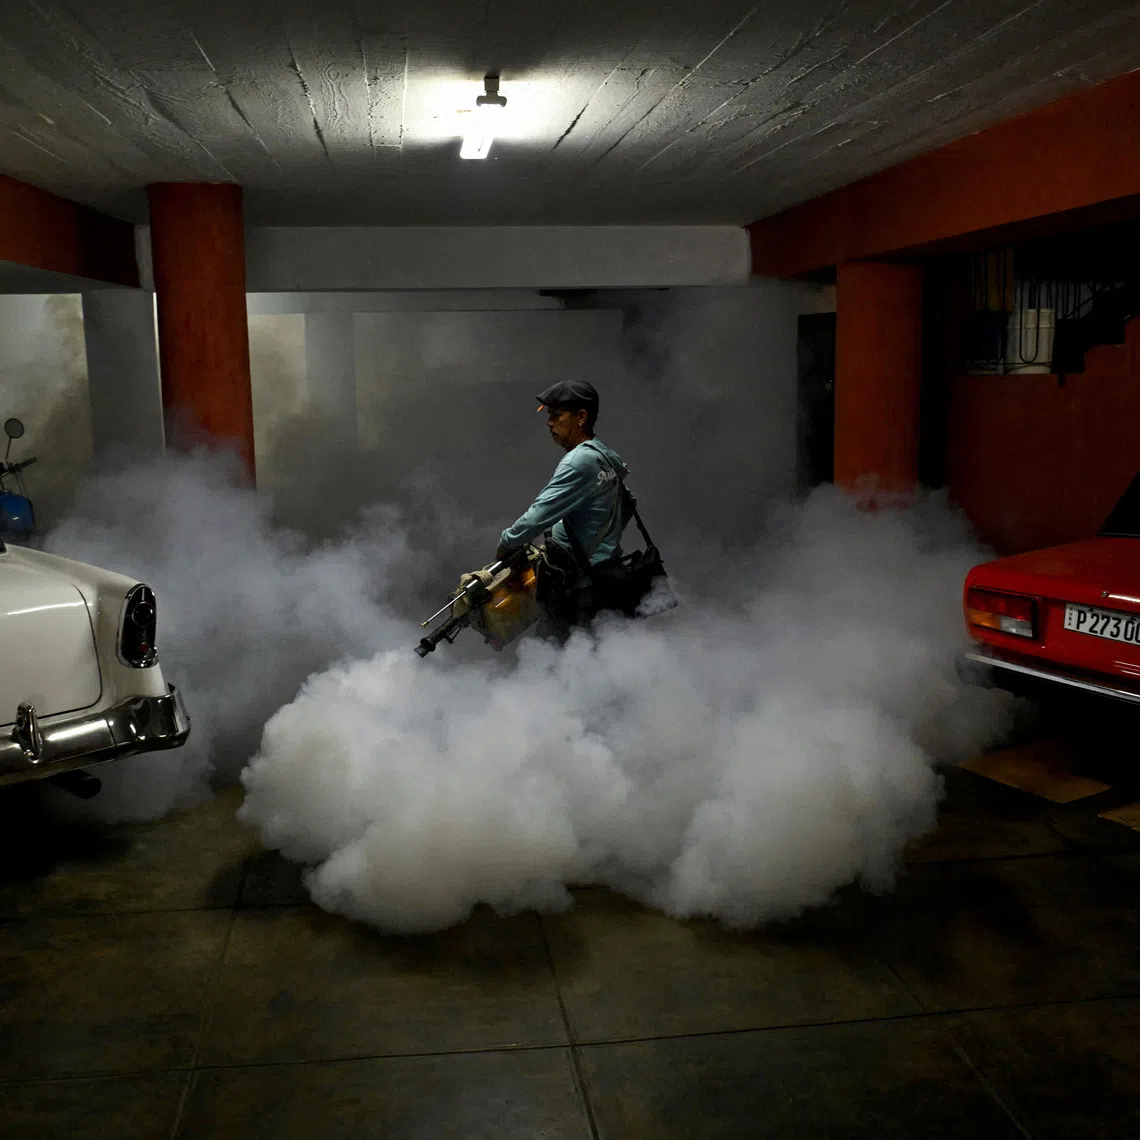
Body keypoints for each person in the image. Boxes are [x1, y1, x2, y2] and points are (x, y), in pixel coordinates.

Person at [495, 380, 635, 636]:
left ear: (581, 417)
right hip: (604, 576)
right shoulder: (603, 455)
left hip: (579, 591)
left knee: (549, 664)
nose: (549, 423)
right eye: (548, 416)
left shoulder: (578, 462)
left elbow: (535, 519)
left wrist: (506, 544)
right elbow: (626, 507)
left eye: (556, 416)